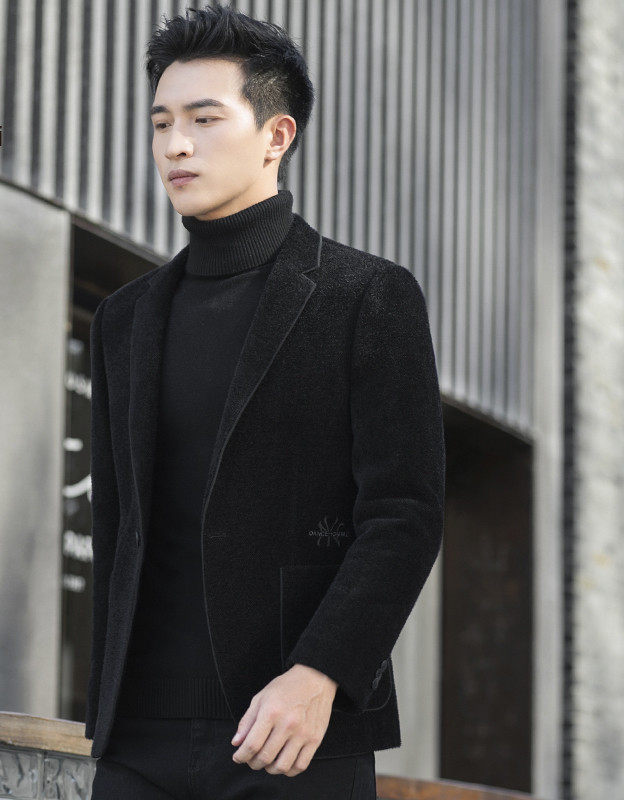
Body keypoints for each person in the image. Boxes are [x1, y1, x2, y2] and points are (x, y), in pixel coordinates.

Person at [85, 2, 445, 798]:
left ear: (276, 135)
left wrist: (320, 674)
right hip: (136, 742)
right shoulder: (123, 320)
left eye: (204, 119)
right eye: (161, 123)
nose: (175, 144)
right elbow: (117, 530)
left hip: (292, 734)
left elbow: (405, 515)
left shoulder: (366, 296)